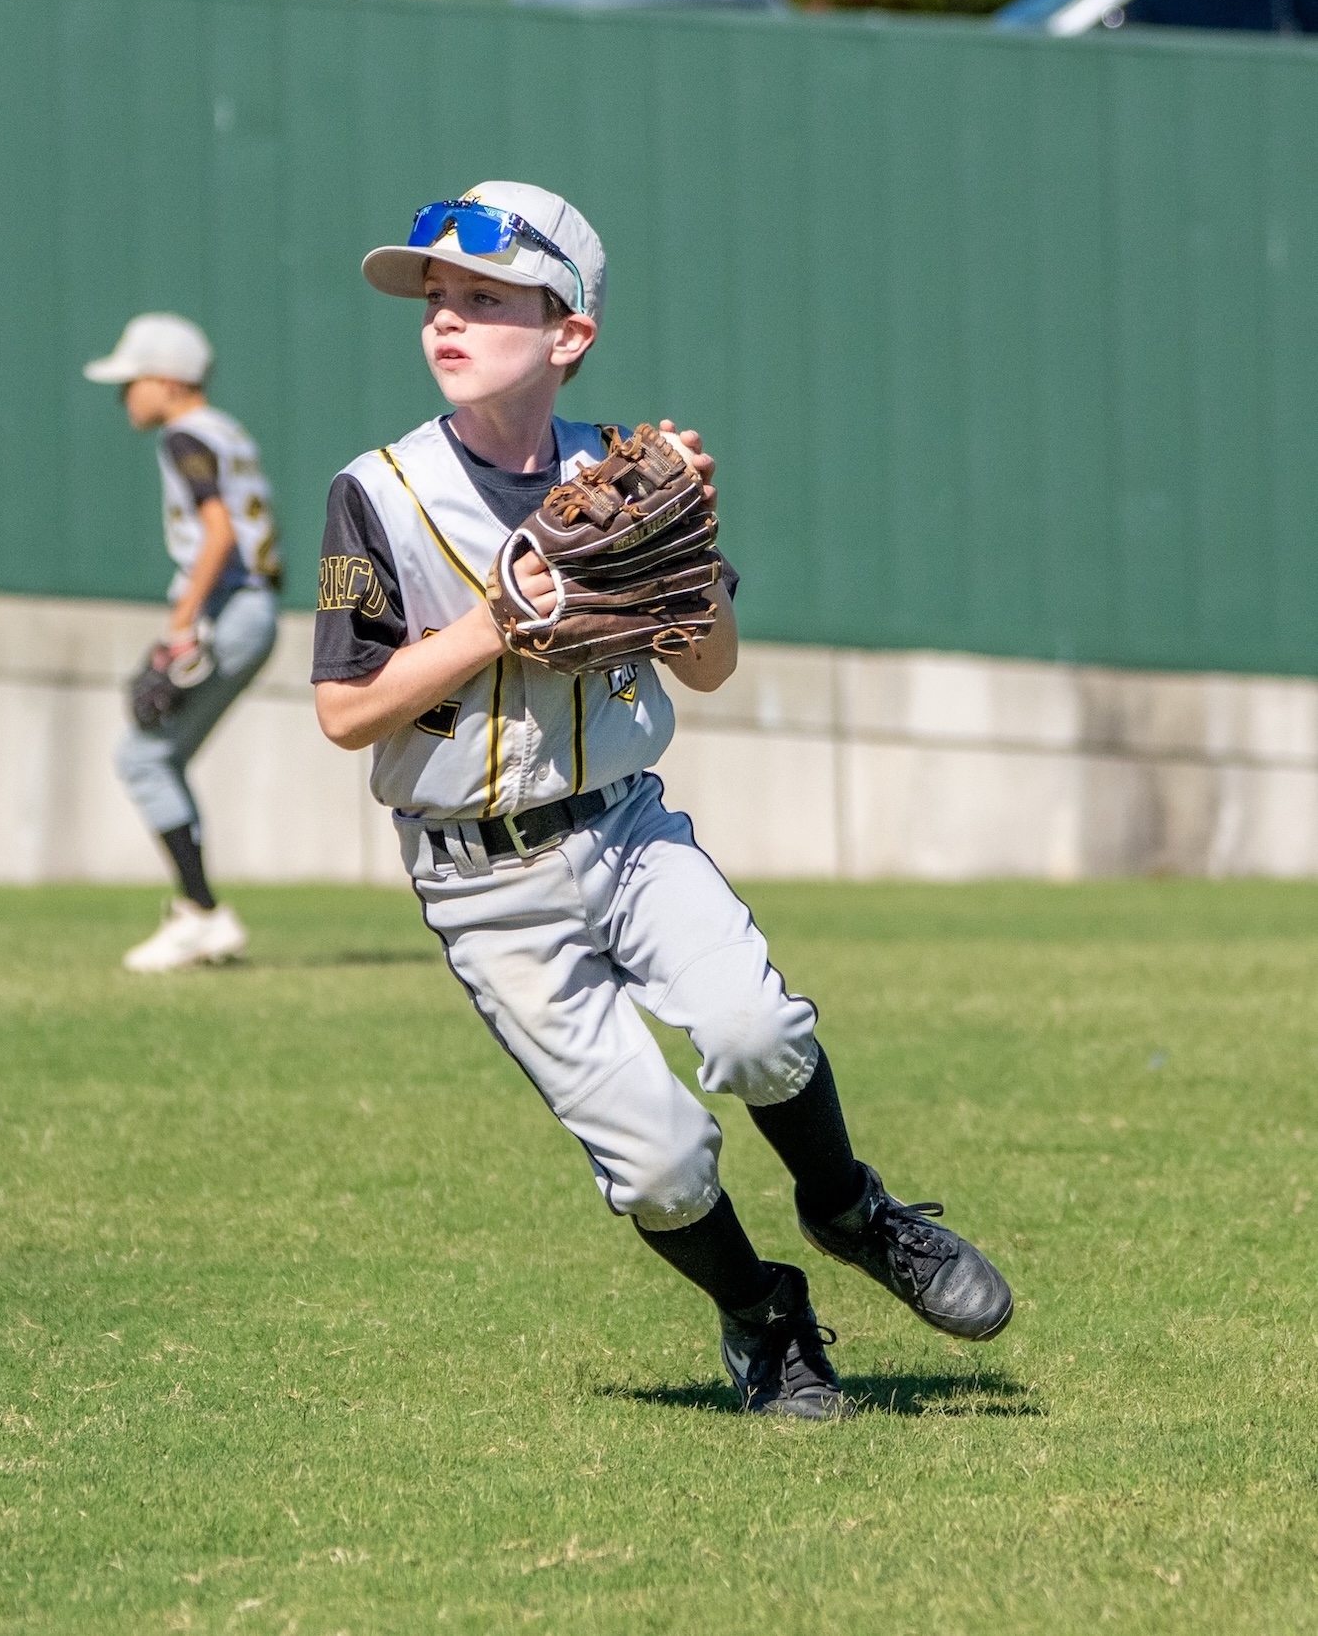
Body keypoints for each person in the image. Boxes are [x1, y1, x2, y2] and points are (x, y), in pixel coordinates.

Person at [311, 184, 1012, 1419]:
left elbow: (710, 663)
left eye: (485, 297)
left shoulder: (624, 471)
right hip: (486, 880)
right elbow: (344, 710)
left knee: (758, 1032)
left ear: (567, 332)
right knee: (664, 1164)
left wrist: (689, 545)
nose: (447, 320)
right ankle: (762, 1317)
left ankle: (852, 1206)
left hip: (626, 827)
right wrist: (494, 619)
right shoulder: (376, 491)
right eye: (436, 300)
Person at [84, 313, 283, 972]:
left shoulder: (183, 436)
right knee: (157, 760)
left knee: (142, 759)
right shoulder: (225, 429)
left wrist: (181, 624)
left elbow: (219, 532)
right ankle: (199, 911)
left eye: (132, 382)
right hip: (249, 608)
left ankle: (201, 912)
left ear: (166, 381)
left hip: (231, 607)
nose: (125, 397)